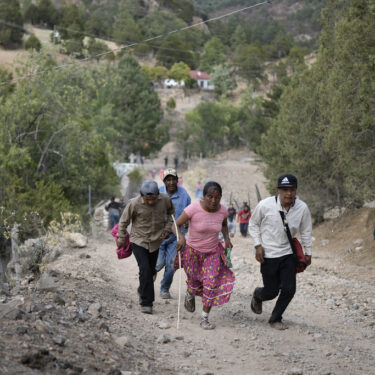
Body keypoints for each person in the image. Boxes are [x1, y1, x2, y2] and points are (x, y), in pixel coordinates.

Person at [248, 174, 312, 330]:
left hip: (288, 254)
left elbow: (306, 231)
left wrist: (308, 252)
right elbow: (253, 224)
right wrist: (258, 246)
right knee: (271, 291)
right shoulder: (265, 205)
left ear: (296, 190)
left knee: (290, 289)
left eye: (291, 190)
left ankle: (275, 319)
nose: (288, 193)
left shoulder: (302, 208)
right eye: (284, 190)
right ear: (278, 190)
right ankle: (258, 294)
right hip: (268, 254)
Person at [174, 181, 235, 330]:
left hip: (212, 253)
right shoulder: (193, 208)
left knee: (211, 283)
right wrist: (181, 237)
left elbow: (225, 225)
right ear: (204, 196)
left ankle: (204, 318)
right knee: (194, 282)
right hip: (192, 252)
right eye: (210, 197)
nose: (213, 201)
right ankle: (190, 292)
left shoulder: (223, 211)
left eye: (217, 197)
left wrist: (227, 238)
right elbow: (175, 224)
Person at [117, 180, 175, 314]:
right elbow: (123, 221)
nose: (150, 202)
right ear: (142, 196)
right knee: (145, 269)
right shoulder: (134, 203)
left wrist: (167, 228)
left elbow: (171, 213)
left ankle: (142, 289)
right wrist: (121, 238)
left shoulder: (165, 200)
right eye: (147, 199)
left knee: (151, 271)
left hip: (156, 241)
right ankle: (146, 302)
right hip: (139, 240)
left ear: (158, 195)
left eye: (153, 199)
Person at [156, 168, 191, 299]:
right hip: (158, 236)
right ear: (164, 181)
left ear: (177, 180)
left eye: (173, 179)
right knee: (158, 264)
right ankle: (152, 272)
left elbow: (189, 212)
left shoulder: (184, 194)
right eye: (168, 180)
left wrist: (186, 229)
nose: (171, 182)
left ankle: (165, 288)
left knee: (171, 265)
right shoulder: (158, 193)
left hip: (176, 237)